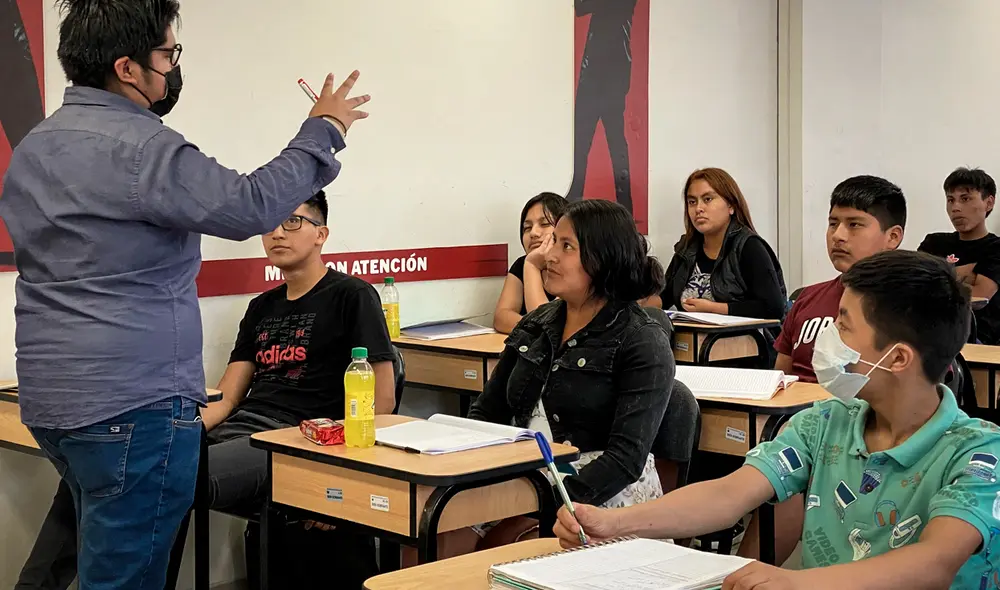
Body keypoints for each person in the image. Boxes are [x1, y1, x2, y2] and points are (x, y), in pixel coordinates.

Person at [0, 0, 370, 587]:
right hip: (130, 406)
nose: (173, 67)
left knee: (88, 552)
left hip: (53, 404)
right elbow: (249, 204)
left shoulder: (35, 149)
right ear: (127, 67)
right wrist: (323, 130)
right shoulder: (143, 148)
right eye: (168, 54)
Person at [16, 192, 395, 590]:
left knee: (160, 483)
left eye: (293, 221)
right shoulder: (262, 307)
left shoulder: (352, 295)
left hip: (294, 440)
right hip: (242, 426)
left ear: (322, 234)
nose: (278, 232)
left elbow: (382, 401)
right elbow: (228, 398)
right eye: (271, 223)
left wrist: (345, 478)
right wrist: (175, 432)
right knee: (107, 468)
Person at [556, 250, 999, 590]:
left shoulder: (978, 453)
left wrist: (793, 582)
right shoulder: (826, 422)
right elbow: (730, 494)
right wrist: (612, 524)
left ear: (897, 357)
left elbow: (935, 562)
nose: (826, 337)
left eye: (843, 326)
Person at [471, 199, 674, 546]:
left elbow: (624, 460)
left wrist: (537, 501)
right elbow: (487, 412)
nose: (549, 255)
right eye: (554, 244)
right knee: (436, 525)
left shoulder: (641, 340)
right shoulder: (536, 324)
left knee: (504, 544)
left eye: (566, 247)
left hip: (598, 497)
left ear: (602, 258)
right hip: (522, 479)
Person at [730, 175, 909, 564]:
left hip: (857, 441)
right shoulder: (808, 298)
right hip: (798, 429)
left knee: (799, 479)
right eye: (832, 223)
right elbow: (782, 378)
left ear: (893, 236)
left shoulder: (908, 311)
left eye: (854, 224)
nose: (838, 235)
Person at [660, 167, 786, 322]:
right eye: (692, 202)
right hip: (690, 341)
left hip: (745, 341)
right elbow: (663, 297)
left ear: (731, 206)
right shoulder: (687, 249)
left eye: (707, 199)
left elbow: (773, 308)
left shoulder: (749, 246)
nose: (698, 208)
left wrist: (713, 309)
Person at [566, 0, 637, 215]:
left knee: (610, 137)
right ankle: (577, 193)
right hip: (602, 68)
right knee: (585, 136)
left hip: (610, 70)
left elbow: (583, 6)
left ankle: (622, 202)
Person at [919, 167, 1000, 344]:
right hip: (931, 336)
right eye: (950, 200)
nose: (955, 208)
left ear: (989, 203)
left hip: (979, 340)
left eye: (965, 199)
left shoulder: (996, 248)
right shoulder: (933, 242)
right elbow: (916, 290)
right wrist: (967, 274)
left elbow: (981, 295)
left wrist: (939, 275)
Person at [493, 192, 568, 334]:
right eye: (527, 228)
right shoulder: (521, 264)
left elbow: (549, 325)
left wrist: (531, 265)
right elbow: (501, 317)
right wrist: (532, 328)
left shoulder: (575, 267)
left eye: (544, 224)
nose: (533, 233)